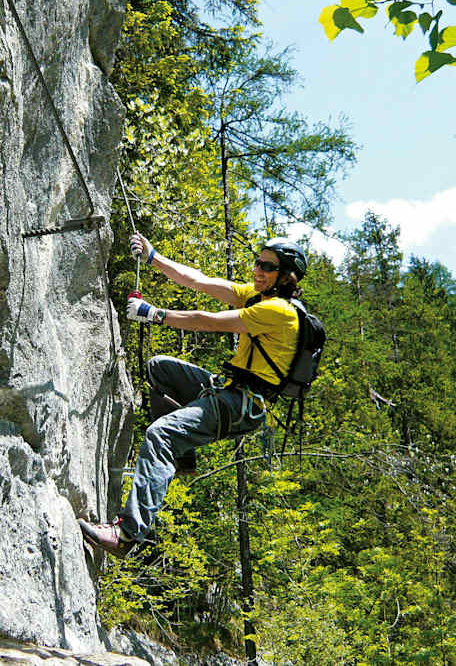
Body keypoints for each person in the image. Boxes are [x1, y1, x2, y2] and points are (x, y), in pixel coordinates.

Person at [79, 233, 308, 557]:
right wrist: (152, 256)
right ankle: (182, 458)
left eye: (267, 266)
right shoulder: (255, 297)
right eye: (258, 261)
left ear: (286, 277)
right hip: (228, 391)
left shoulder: (279, 311)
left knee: (160, 435)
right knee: (160, 368)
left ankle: (127, 535)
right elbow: (199, 281)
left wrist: (155, 313)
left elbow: (210, 322)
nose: (258, 269)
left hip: (241, 405)